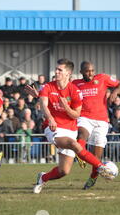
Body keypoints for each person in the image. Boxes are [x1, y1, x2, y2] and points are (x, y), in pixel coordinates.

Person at [32, 58, 111, 194]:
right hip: (53, 128)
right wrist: (50, 118)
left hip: (70, 129)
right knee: (74, 144)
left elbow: (75, 115)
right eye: (56, 69)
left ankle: (43, 177)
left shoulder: (75, 91)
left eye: (59, 70)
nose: (56, 72)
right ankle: (101, 166)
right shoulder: (47, 87)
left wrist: (66, 107)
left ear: (68, 73)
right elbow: (44, 105)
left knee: (64, 171)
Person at [71, 61, 120, 189]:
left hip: (101, 120)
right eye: (87, 71)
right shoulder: (75, 84)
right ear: (81, 72)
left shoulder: (102, 78)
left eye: (92, 70)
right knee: (82, 133)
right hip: (84, 117)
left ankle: (93, 177)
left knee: (97, 156)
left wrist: (115, 92)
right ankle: (80, 155)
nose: (90, 73)